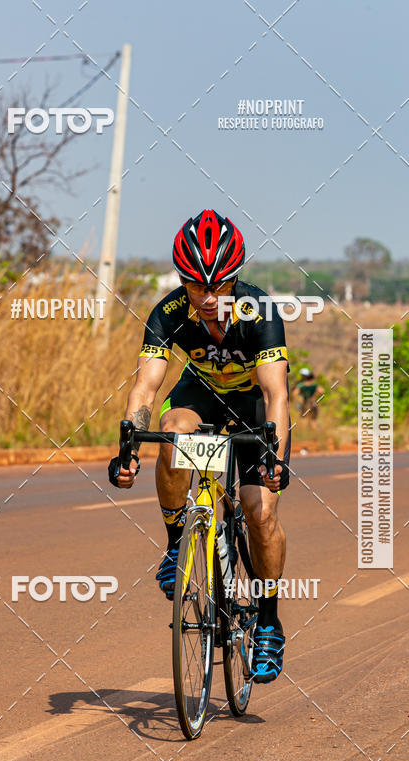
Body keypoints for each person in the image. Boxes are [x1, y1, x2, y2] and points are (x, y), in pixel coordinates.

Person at [108, 209, 291, 683]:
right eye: (196, 285)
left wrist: (276, 458)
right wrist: (127, 445)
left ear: (235, 277)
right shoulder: (168, 312)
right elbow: (146, 389)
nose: (208, 298)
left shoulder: (260, 312)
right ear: (182, 279)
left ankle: (268, 619)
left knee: (260, 511)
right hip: (202, 394)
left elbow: (276, 394)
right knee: (173, 428)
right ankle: (175, 548)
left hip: (252, 403)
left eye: (219, 286)